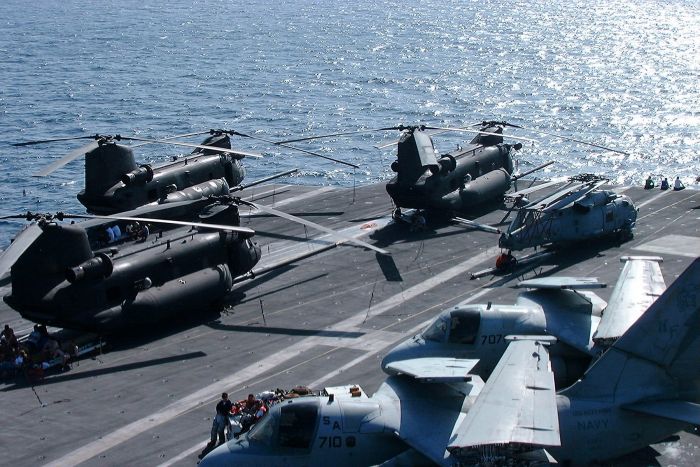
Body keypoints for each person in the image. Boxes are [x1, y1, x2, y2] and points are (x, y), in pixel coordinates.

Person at [199, 393, 233, 459]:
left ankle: (221, 441)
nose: (224, 398)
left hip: (223, 417)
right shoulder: (220, 403)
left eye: (225, 397)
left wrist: (222, 413)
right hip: (218, 416)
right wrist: (218, 412)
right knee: (214, 429)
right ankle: (213, 441)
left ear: (227, 397)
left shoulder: (229, 403)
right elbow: (217, 408)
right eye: (223, 397)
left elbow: (228, 410)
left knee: (220, 430)